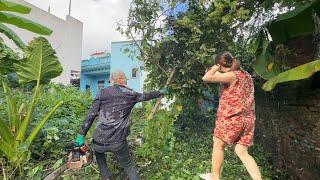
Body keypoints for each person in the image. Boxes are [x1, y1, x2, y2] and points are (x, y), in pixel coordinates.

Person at [75, 70, 168, 180]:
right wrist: (161, 92)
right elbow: (147, 96)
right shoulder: (131, 94)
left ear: (112, 80)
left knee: (101, 160)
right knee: (128, 165)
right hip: (117, 142)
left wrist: (81, 134)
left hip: (99, 141)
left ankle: (106, 177)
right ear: (123, 80)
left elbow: (91, 115)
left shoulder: (102, 92)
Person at [202, 52, 262, 180]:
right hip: (248, 120)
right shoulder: (246, 75)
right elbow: (221, 77)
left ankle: (215, 177)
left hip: (232, 119)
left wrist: (214, 68)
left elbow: (206, 77)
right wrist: (218, 71)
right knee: (242, 151)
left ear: (220, 64)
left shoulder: (232, 75)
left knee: (218, 145)